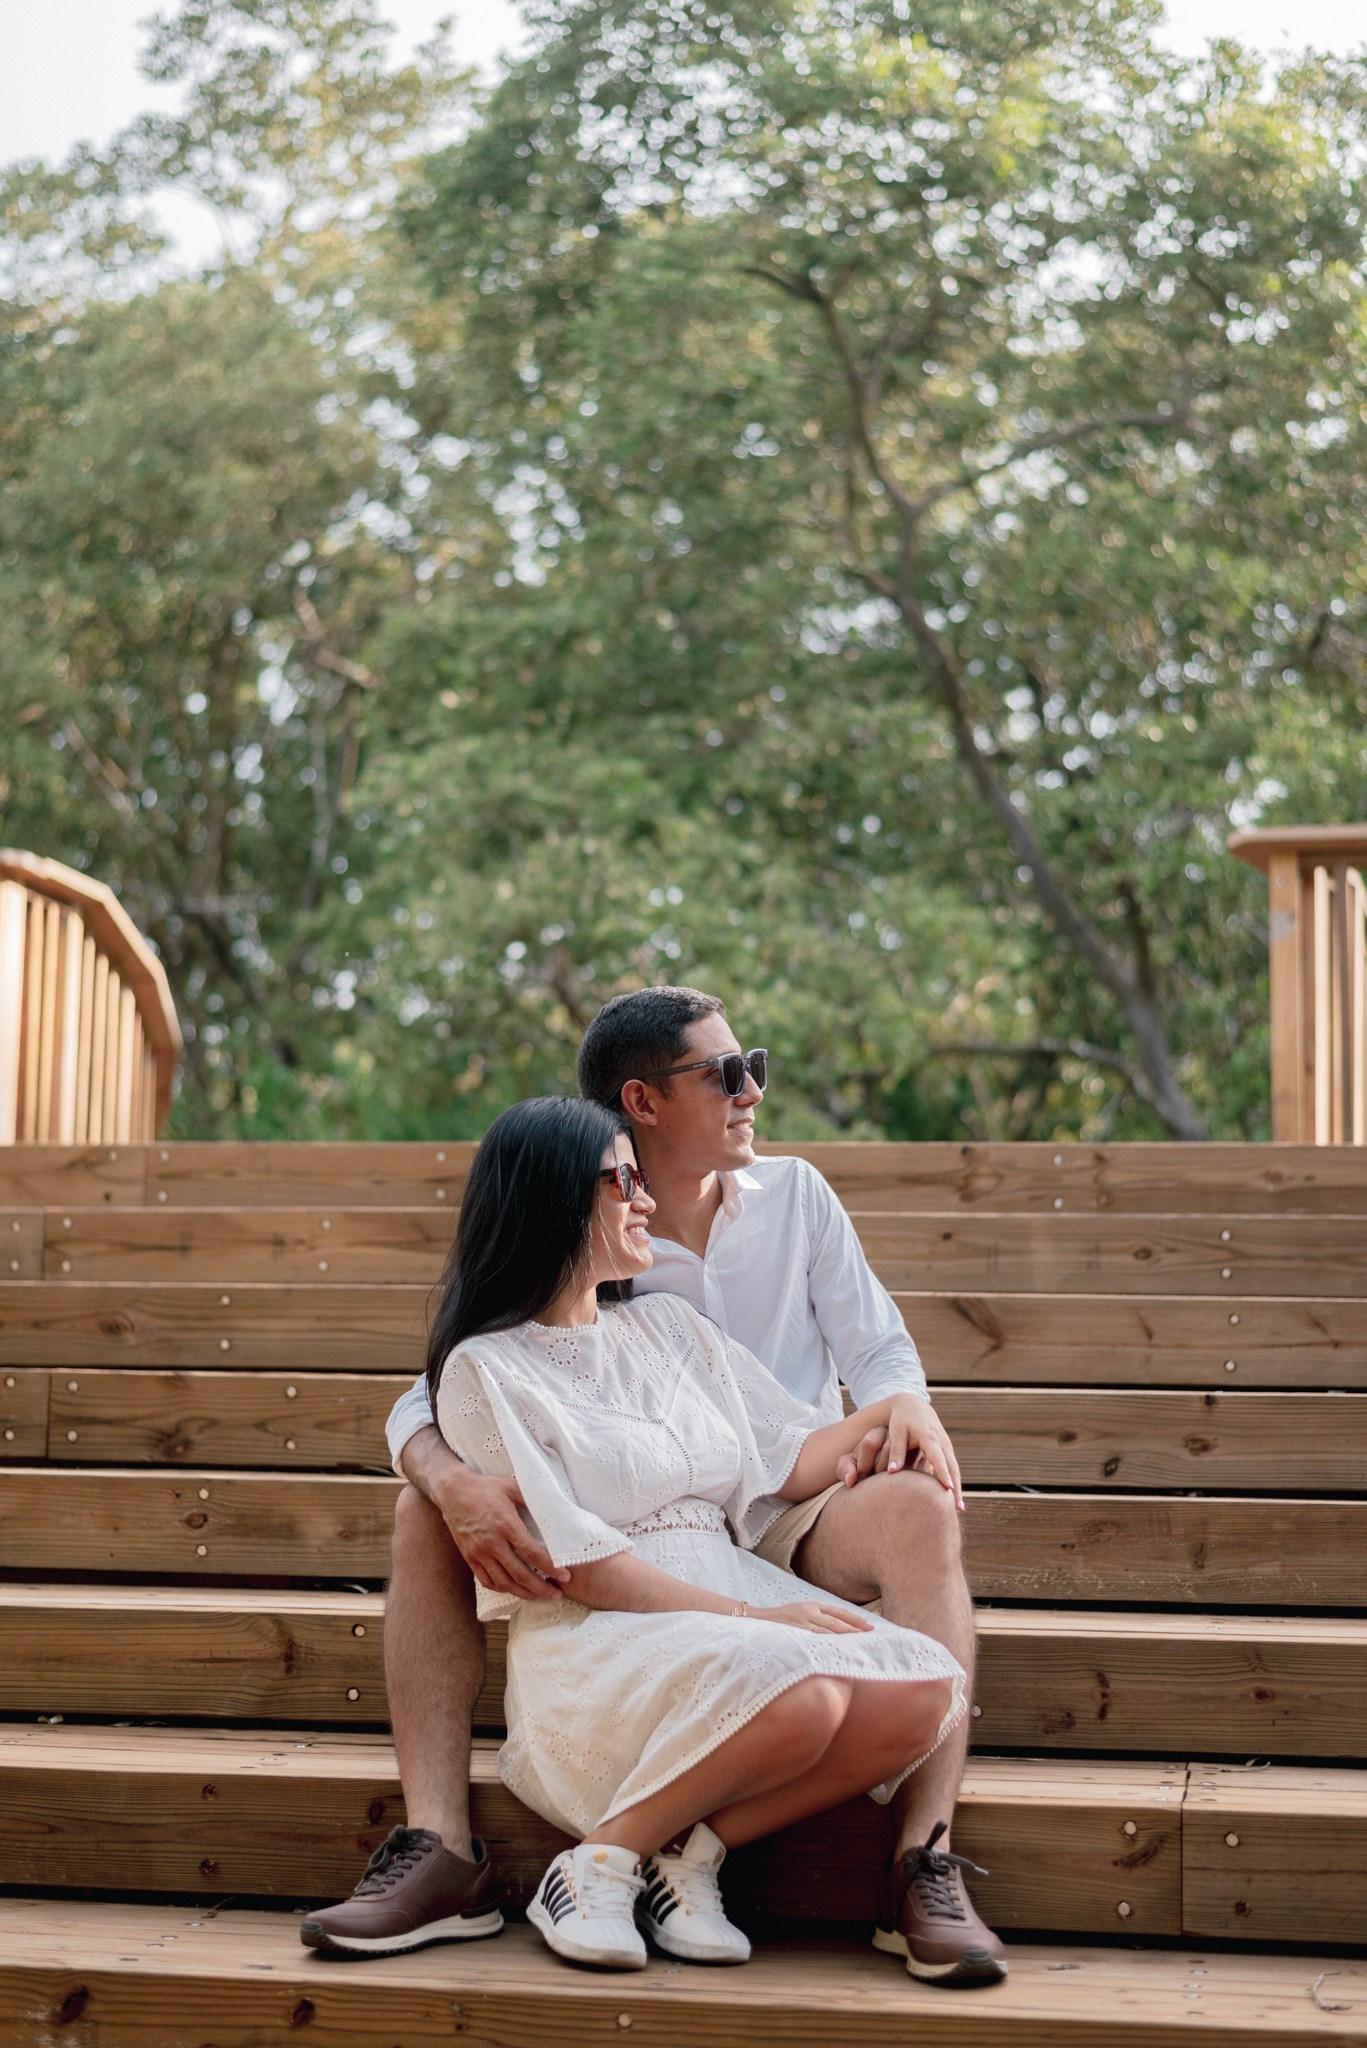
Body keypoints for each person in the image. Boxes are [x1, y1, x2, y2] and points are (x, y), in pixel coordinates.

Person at [301, 987, 1005, 1985]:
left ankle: (918, 1859)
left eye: (749, 1060)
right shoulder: (566, 1292)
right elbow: (443, 1389)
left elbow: (862, 1363)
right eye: (722, 1070)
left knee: (920, 1515)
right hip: (630, 1542)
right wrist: (447, 1475)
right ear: (640, 1100)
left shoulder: (785, 1201)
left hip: (785, 1502)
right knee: (428, 1501)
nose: (749, 1086)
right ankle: (442, 1844)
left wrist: (905, 1410)